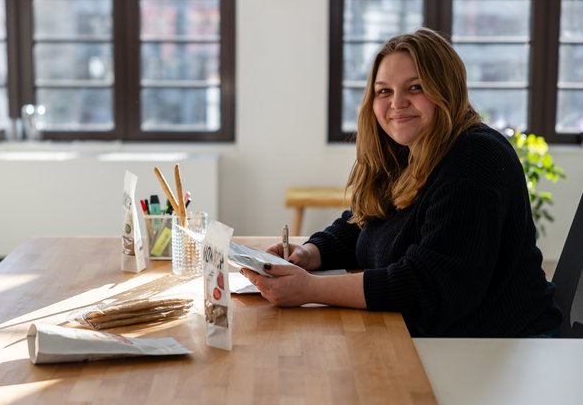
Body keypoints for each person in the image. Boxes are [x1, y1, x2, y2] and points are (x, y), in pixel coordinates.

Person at [240, 27, 562, 338]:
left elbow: (427, 288)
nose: (396, 103)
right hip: (454, 340)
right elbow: (365, 221)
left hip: (500, 349)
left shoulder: (474, 158)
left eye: (415, 87)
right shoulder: (409, 149)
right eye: (384, 91)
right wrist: (311, 254)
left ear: (446, 89)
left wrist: (310, 288)